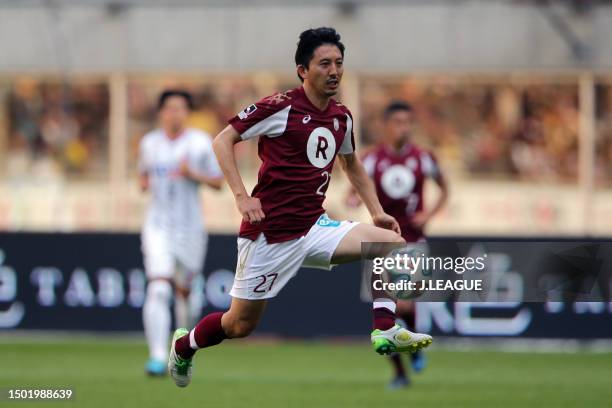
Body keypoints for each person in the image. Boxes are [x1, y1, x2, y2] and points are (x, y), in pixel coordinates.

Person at [166, 27, 433, 388]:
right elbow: (222, 140)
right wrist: (242, 196)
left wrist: (376, 210)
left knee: (389, 242)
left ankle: (384, 329)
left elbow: (352, 165)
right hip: (268, 237)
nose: (334, 71)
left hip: (313, 228)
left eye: (339, 63)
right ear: (303, 70)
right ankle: (184, 346)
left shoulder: (342, 117)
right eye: (324, 63)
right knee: (238, 325)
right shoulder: (280, 107)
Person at [349, 101, 448, 389]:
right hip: (381, 242)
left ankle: (415, 344)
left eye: (408, 122)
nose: (403, 128)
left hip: (412, 239)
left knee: (403, 304)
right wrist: (352, 199)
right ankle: (400, 374)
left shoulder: (423, 158)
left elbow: (445, 188)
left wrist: (429, 214)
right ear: (386, 125)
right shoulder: (371, 159)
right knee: (384, 313)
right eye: (398, 122)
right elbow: (352, 190)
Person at [139, 90, 223, 376]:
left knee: (186, 293)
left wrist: (192, 174)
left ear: (187, 112)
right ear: (161, 112)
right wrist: (144, 182)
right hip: (157, 226)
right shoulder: (149, 144)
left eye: (181, 108)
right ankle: (156, 357)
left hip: (190, 230)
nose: (175, 113)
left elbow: (217, 182)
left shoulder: (199, 143)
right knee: (159, 287)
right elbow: (143, 174)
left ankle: (182, 347)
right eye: (170, 108)